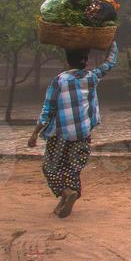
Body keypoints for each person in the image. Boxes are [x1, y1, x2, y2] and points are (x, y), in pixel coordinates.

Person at [28, 41, 119, 219]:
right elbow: (110, 62)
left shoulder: (60, 80)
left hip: (60, 133)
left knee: (51, 167)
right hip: (82, 134)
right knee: (73, 168)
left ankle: (65, 193)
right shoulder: (92, 77)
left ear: (67, 62)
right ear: (86, 61)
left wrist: (35, 132)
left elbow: (48, 109)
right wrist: (112, 42)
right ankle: (67, 197)